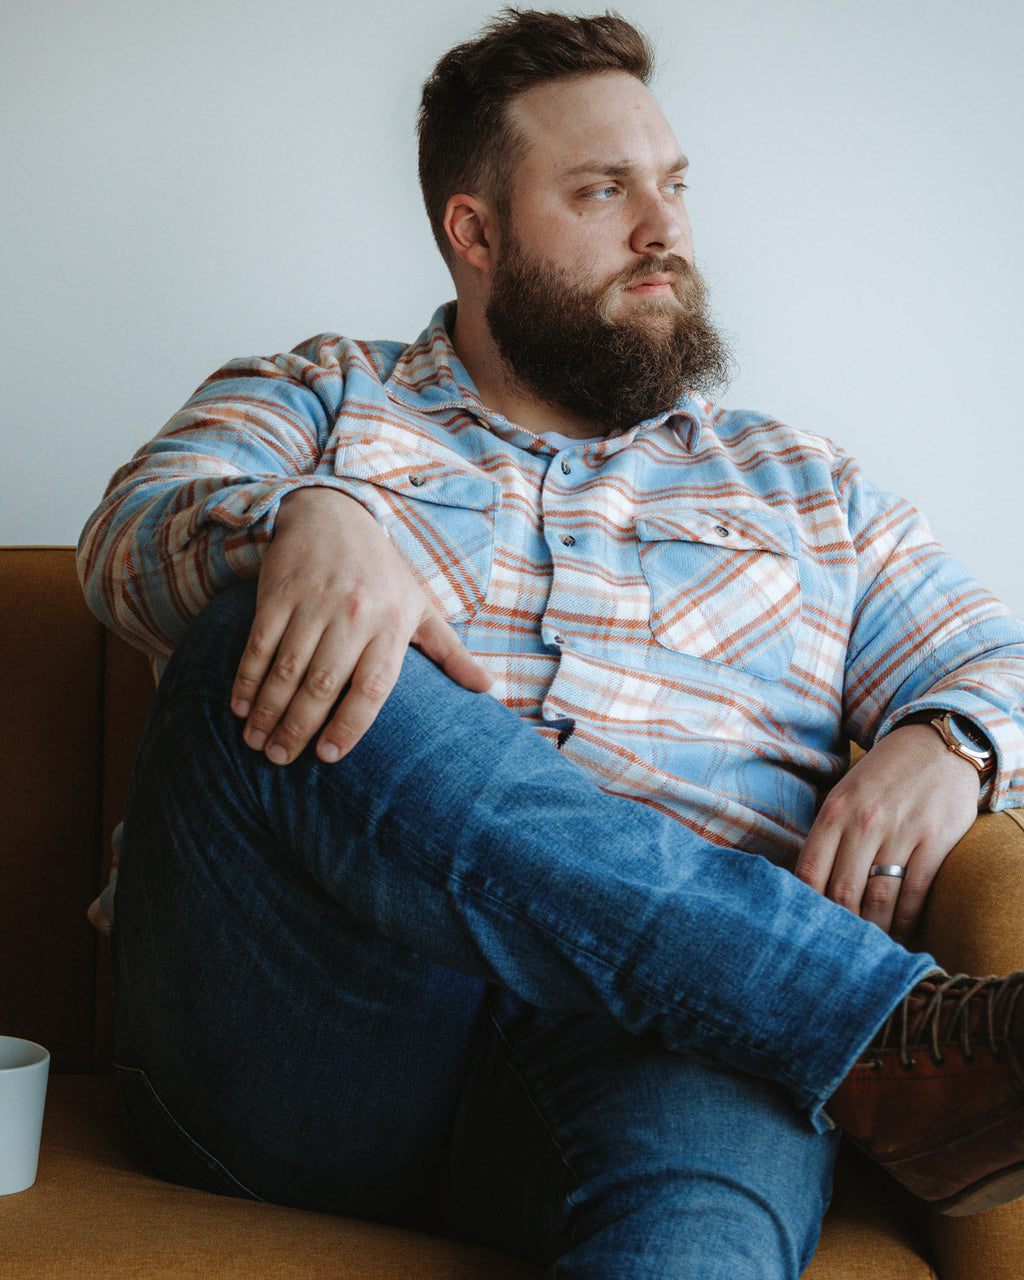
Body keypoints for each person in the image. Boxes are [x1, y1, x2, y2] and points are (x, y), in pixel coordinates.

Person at [78, 10, 1024, 1278]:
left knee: (690, 1236)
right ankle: (879, 1030)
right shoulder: (318, 396)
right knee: (263, 614)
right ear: (475, 232)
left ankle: (818, 1023)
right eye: (602, 191)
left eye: (674, 185)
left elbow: (998, 662)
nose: (665, 230)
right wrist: (307, 516)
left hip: (663, 1049)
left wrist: (954, 738)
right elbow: (127, 540)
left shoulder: (803, 488)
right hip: (308, 1028)